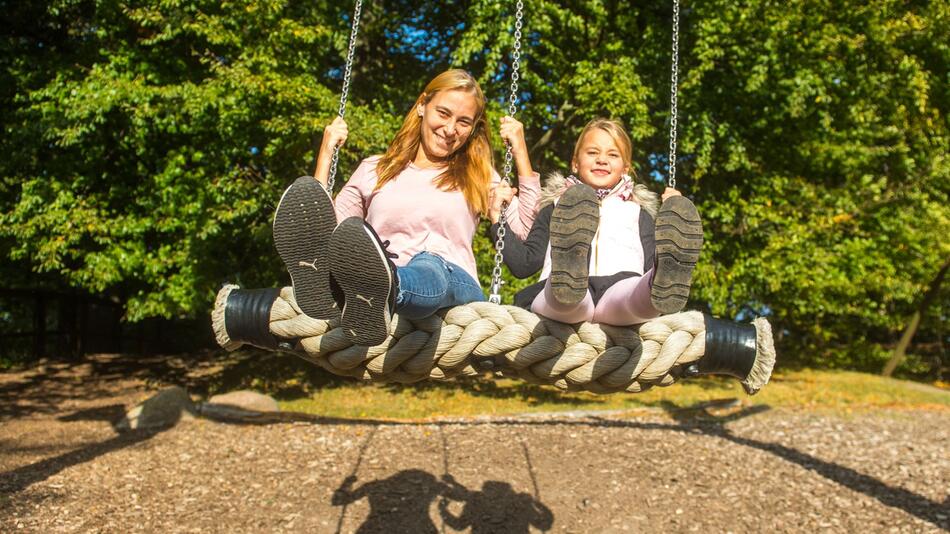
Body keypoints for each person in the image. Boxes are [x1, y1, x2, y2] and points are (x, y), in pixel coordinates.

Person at [273, 69, 539, 345]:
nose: (450, 130)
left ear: (473, 128)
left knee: (430, 263)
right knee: (351, 240)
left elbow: (526, 235)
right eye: (444, 113)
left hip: (453, 285)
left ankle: (385, 288)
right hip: (384, 283)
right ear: (422, 105)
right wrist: (326, 154)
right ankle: (355, 290)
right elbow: (326, 231)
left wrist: (520, 152)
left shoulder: (478, 174)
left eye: (463, 122)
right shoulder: (374, 169)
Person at [487, 118, 703, 325]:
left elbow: (648, 265)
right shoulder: (557, 206)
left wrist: (667, 256)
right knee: (566, 297)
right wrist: (498, 220)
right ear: (575, 163)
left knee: (636, 296)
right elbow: (525, 263)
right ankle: (568, 277)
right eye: (592, 152)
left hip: (620, 289)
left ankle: (655, 292)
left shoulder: (639, 212)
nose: (602, 159)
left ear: (625, 168)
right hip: (561, 301)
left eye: (613, 155)